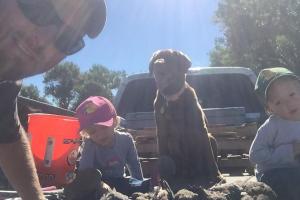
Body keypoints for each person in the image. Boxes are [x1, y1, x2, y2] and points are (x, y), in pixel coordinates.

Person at [0, 0, 106, 199]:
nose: (43, 39)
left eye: (66, 39)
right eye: (38, 9)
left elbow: (8, 136)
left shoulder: (5, 85)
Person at [76, 96, 150, 196]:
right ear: (87, 133)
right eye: (92, 132)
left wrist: (140, 189)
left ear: (114, 122)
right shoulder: (90, 144)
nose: (99, 134)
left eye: (103, 127)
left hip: (119, 181)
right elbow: (85, 173)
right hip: (99, 185)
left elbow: (135, 166)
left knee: (144, 185)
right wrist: (98, 185)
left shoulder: (126, 140)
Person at [249, 67, 300, 200]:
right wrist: (290, 151)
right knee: (289, 182)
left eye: (291, 95)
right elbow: (255, 155)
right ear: (269, 109)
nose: (288, 103)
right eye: (278, 102)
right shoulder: (272, 126)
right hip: (273, 172)